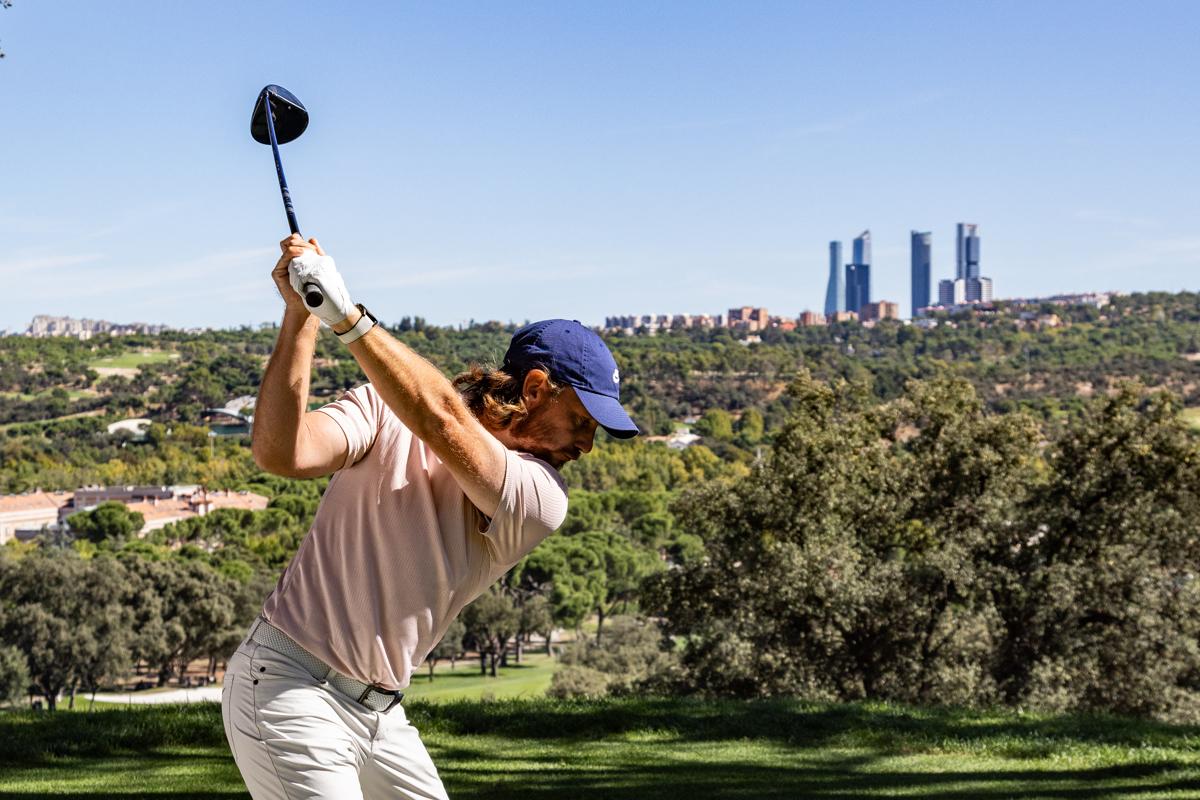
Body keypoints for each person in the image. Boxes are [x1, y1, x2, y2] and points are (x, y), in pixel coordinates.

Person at [221, 234, 638, 800]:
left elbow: (443, 422)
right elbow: (281, 452)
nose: (588, 445)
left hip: (380, 713)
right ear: (537, 389)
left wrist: (347, 316)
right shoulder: (383, 407)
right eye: (585, 422)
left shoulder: (542, 498)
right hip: (289, 687)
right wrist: (303, 317)